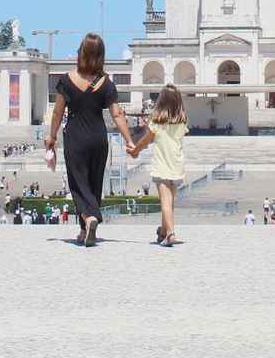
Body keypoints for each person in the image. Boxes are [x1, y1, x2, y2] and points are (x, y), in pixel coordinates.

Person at [44, 32, 136, 247]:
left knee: (78, 183)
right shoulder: (106, 82)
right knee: (94, 182)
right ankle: (84, 229)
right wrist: (129, 140)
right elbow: (117, 114)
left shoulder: (66, 80)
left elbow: (58, 112)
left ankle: (89, 217)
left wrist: (52, 136)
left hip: (75, 136)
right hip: (98, 137)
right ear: (101, 55)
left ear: (81, 53)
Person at [128, 83, 188, 246]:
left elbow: (146, 140)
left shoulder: (157, 122)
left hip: (162, 164)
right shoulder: (182, 122)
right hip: (177, 165)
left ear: (161, 101)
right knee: (170, 202)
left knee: (165, 202)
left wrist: (135, 150)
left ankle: (170, 233)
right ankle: (163, 231)